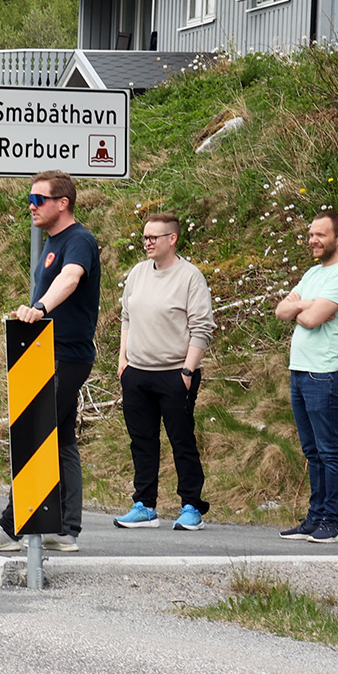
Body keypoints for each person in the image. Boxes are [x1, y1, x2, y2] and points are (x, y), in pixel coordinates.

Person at [0, 170, 101, 553]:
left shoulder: (79, 240)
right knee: (60, 440)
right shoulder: (53, 241)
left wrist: (40, 308)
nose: (31, 205)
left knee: (35, 434)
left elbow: (71, 279)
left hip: (65, 354)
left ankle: (10, 530)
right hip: (48, 353)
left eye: (39, 199)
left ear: (63, 203)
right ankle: (65, 529)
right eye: (30, 198)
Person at [114, 212, 215, 531]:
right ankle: (144, 505)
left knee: (181, 440)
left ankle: (191, 506)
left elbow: (202, 327)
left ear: (172, 239)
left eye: (153, 237)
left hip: (175, 373)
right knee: (141, 441)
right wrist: (123, 361)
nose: (147, 242)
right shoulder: (138, 273)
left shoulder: (190, 277)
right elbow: (126, 316)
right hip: (137, 373)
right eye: (145, 237)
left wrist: (187, 371)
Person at [274, 211, 338, 544]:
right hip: (300, 371)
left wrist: (302, 307)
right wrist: (304, 305)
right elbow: (282, 311)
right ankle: (314, 517)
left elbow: (311, 320)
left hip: (326, 373)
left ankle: (332, 521)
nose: (313, 240)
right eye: (310, 234)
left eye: (320, 235)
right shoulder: (312, 273)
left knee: (329, 449)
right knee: (312, 450)